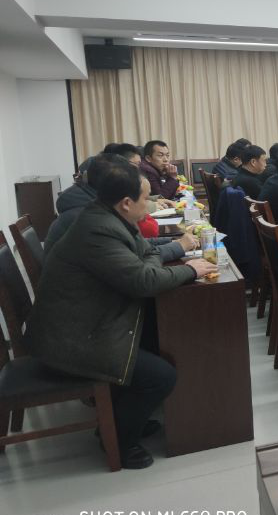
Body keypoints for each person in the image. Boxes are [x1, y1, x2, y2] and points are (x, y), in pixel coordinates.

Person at [24, 156, 216, 469]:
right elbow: (144, 280)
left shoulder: (108, 217)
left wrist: (150, 263)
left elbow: (147, 257)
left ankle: (121, 418)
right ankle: (119, 441)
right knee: (160, 376)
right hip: (72, 340)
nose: (149, 205)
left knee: (160, 337)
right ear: (126, 202)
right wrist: (191, 270)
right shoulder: (98, 230)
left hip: (89, 322)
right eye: (145, 199)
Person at [47, 152, 195, 261]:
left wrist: (173, 241)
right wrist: (178, 247)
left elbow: (133, 244)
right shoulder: (87, 215)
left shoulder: (95, 203)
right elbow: (135, 264)